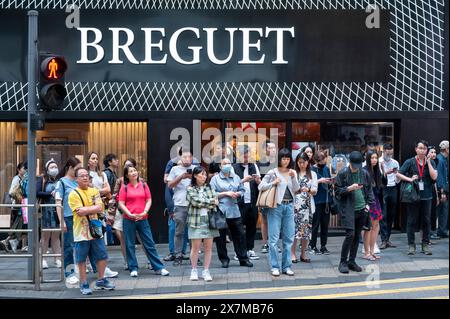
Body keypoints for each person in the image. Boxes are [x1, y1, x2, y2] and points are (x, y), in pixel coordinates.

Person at [68, 167, 116, 295]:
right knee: (82, 259)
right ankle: (83, 283)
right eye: (82, 176)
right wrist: (93, 208)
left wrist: (88, 209)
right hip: (81, 232)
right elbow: (79, 212)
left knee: (102, 255)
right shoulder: (73, 194)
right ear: (76, 179)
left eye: (86, 175)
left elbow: (100, 208)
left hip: (96, 229)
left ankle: (101, 280)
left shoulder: (94, 190)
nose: (85, 177)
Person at [118, 165, 170, 277]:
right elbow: (121, 203)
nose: (133, 173)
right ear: (127, 175)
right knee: (130, 244)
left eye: (134, 170)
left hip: (143, 218)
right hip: (128, 219)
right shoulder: (125, 187)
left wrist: (145, 211)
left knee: (149, 243)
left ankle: (159, 267)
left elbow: (149, 199)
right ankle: (133, 268)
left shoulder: (144, 185)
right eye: (130, 171)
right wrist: (129, 213)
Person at [258, 148, 300, 277]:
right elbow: (261, 186)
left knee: (288, 238)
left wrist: (293, 178)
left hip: (289, 206)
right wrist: (273, 182)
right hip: (275, 206)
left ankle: (286, 266)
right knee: (274, 239)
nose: (286, 161)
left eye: (288, 159)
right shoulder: (273, 172)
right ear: (279, 159)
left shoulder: (292, 172)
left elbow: (297, 190)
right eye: (283, 159)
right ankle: (275, 266)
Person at [335, 151, 375, 274]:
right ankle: (343, 262)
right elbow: (337, 192)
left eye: (358, 165)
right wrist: (349, 188)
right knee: (350, 235)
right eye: (354, 166)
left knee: (357, 235)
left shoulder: (364, 173)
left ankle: (352, 261)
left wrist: (368, 206)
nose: (356, 168)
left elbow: (369, 190)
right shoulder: (342, 174)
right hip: (348, 209)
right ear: (350, 163)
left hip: (362, 209)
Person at [210, 158, 253, 268]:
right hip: (221, 210)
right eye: (224, 163)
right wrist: (225, 193)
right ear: (220, 166)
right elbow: (211, 194)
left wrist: (238, 194)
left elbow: (242, 190)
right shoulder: (215, 179)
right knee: (221, 237)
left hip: (234, 210)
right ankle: (224, 259)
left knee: (240, 235)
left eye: (229, 163)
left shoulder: (236, 177)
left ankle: (243, 258)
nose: (227, 165)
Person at [397, 140, 437, 255]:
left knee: (426, 221)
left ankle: (425, 245)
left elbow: (434, 177)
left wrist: (428, 162)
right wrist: (410, 179)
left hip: (427, 196)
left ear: (427, 150)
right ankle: (411, 246)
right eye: (420, 148)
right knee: (411, 221)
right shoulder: (410, 162)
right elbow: (398, 174)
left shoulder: (431, 162)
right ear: (416, 149)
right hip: (413, 196)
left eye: (424, 148)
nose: (422, 150)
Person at [86, 152, 118, 277]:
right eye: (92, 158)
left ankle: (101, 266)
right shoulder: (85, 174)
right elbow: (87, 189)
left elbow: (108, 189)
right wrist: (99, 191)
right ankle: (91, 264)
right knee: (90, 237)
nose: (95, 160)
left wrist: (94, 191)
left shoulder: (102, 174)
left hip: (101, 208)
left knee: (101, 236)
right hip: (89, 208)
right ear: (88, 160)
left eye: (96, 158)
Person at [186, 166, 220, 281]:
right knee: (195, 248)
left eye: (205, 174)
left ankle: (206, 270)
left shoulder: (209, 187)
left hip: (209, 220)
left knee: (208, 248)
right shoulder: (190, 188)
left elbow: (215, 202)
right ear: (195, 175)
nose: (204, 176)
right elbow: (195, 202)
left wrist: (210, 202)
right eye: (201, 174)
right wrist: (210, 201)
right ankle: (194, 270)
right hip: (195, 221)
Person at [167, 150, 197, 266]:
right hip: (180, 204)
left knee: (194, 232)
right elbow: (170, 185)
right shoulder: (175, 169)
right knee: (179, 232)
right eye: (184, 157)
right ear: (181, 158)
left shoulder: (196, 169)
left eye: (189, 157)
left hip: (194, 205)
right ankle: (178, 255)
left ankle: (193, 256)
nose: (187, 159)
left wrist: (193, 178)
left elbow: (203, 183)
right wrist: (181, 177)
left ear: (192, 158)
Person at [55, 157, 82, 285]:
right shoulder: (62, 182)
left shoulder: (78, 181)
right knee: (68, 247)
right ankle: (69, 273)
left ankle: (78, 268)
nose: (78, 172)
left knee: (80, 245)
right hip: (68, 217)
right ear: (70, 168)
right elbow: (58, 203)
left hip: (80, 217)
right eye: (76, 169)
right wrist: (62, 221)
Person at [233, 145, 261, 260]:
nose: (246, 158)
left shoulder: (254, 165)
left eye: (248, 155)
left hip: (252, 202)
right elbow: (231, 185)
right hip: (239, 203)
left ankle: (250, 249)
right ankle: (238, 252)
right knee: (238, 228)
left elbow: (260, 184)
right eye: (244, 155)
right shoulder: (233, 167)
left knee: (252, 227)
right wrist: (244, 180)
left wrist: (258, 180)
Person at [108, 158, 137, 269]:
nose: (127, 167)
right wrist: (111, 215)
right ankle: (127, 261)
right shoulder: (120, 181)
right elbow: (114, 197)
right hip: (121, 212)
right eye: (125, 165)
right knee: (123, 239)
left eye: (130, 165)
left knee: (142, 237)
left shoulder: (141, 181)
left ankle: (149, 260)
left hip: (137, 213)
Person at [291, 152, 318, 263]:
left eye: (304, 162)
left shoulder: (312, 174)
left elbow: (315, 190)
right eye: (299, 162)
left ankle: (303, 254)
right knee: (294, 231)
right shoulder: (293, 173)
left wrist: (309, 190)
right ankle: (292, 254)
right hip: (295, 206)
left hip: (307, 206)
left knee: (306, 232)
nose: (302, 164)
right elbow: (291, 188)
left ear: (308, 162)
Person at [37, 159, 62, 269]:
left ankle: (57, 258)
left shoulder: (60, 180)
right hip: (46, 210)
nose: (54, 169)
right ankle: (42, 259)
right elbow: (37, 192)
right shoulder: (42, 179)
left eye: (55, 167)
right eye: (51, 167)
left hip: (57, 210)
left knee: (56, 236)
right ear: (47, 170)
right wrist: (50, 193)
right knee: (45, 236)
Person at [1, 161, 27, 253]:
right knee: (17, 225)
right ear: (19, 170)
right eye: (24, 168)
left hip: (21, 206)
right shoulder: (17, 179)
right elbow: (12, 192)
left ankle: (22, 245)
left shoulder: (23, 178)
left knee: (23, 225)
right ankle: (8, 241)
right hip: (17, 206)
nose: (25, 170)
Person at [256, 140, 278, 253]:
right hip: (266, 194)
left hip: (278, 194)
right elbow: (260, 181)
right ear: (265, 150)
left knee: (276, 220)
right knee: (264, 220)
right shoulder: (260, 163)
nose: (273, 150)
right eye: (271, 148)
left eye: (274, 147)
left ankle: (274, 244)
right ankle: (265, 243)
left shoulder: (280, 162)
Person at [310, 152, 333, 255]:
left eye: (324, 160)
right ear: (316, 161)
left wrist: (330, 182)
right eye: (321, 161)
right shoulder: (311, 170)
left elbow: (329, 181)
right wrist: (319, 181)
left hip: (326, 200)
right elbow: (309, 184)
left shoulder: (326, 169)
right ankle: (313, 246)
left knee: (325, 224)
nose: (323, 163)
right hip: (315, 200)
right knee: (315, 224)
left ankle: (323, 246)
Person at [362, 151, 383, 261]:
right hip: (368, 202)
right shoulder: (365, 170)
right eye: (372, 158)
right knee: (368, 227)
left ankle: (371, 250)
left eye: (376, 158)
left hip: (375, 201)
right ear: (367, 158)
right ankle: (366, 252)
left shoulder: (376, 170)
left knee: (376, 225)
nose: (374, 160)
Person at [378, 143, 400, 249]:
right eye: (388, 153)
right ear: (384, 151)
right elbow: (378, 177)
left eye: (391, 153)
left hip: (393, 188)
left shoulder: (395, 162)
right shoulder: (378, 162)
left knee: (391, 214)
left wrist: (397, 179)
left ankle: (387, 239)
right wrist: (385, 172)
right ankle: (383, 240)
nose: (389, 155)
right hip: (383, 189)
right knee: (383, 215)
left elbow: (397, 176)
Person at [436, 140, 449, 238]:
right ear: (446, 149)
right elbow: (440, 176)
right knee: (442, 210)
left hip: (444, 188)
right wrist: (442, 191)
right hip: (442, 189)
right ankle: (442, 231)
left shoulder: (444, 159)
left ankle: (442, 230)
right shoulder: (440, 160)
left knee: (443, 210)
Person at [428, 147, 440, 240]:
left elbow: (435, 181)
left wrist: (436, 194)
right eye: (431, 152)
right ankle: (428, 233)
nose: (434, 154)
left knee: (433, 212)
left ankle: (432, 232)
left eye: (435, 152)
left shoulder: (435, 162)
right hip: (426, 190)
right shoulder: (427, 163)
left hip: (433, 189)